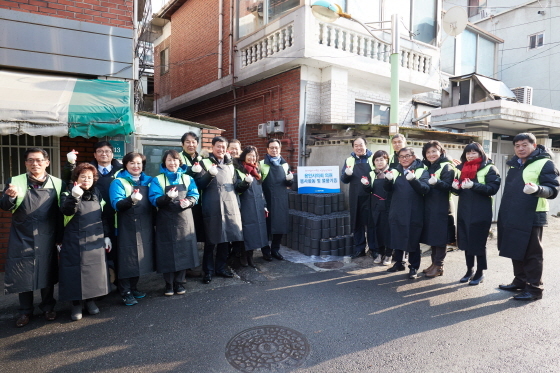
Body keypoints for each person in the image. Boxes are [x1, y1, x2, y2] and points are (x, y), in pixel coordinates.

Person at [1, 148, 64, 327]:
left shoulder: (58, 183)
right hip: (22, 234)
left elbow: (61, 213)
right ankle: (25, 311)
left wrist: (60, 236)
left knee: (47, 271)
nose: (34, 164)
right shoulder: (15, 181)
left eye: (38, 160)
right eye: (30, 160)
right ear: (25, 163)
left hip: (47, 234)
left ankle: (48, 307)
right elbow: (5, 206)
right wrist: (9, 197)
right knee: (23, 273)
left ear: (47, 162)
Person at [497, 133, 559, 300]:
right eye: (517, 146)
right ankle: (520, 280)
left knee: (532, 253)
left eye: (524, 145)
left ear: (534, 145)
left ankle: (534, 289)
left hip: (532, 214)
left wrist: (538, 190)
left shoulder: (545, 163)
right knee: (515, 248)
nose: (520, 148)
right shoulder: (515, 164)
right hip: (512, 213)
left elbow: (553, 190)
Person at [63, 142, 123, 287]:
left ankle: (121, 286)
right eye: (100, 151)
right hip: (94, 216)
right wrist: (70, 163)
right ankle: (101, 287)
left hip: (117, 216)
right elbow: (69, 178)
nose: (104, 154)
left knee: (118, 253)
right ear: (95, 155)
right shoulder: (88, 169)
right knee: (97, 255)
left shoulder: (121, 170)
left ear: (112, 154)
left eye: (107, 151)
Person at [59, 163, 111, 321]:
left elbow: (102, 217)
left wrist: (106, 236)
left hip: (95, 238)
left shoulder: (97, 193)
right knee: (74, 272)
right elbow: (66, 211)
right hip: (74, 238)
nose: (86, 180)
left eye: (89, 177)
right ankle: (76, 304)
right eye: (83, 177)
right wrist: (74, 196)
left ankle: (91, 301)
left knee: (93, 272)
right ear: (77, 178)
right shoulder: (67, 192)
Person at [192, 136, 243, 283]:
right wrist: (210, 174)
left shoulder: (231, 164)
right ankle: (207, 271)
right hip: (211, 206)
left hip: (229, 206)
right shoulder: (204, 163)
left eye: (223, 147)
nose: (220, 149)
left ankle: (220, 268)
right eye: (218, 146)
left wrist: (245, 183)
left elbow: (235, 185)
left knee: (225, 239)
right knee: (211, 240)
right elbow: (199, 184)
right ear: (212, 147)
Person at [149, 150, 199, 295]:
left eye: (175, 160)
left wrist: (189, 202)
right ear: (164, 162)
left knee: (184, 250)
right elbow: (153, 199)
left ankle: (180, 283)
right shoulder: (157, 180)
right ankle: (169, 284)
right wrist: (167, 198)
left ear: (180, 162)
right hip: (165, 220)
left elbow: (195, 195)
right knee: (167, 252)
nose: (172, 163)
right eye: (169, 160)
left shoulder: (188, 178)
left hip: (184, 219)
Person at [452, 142, 501, 285]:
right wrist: (455, 188)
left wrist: (474, 185)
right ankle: (469, 270)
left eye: (474, 153)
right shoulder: (461, 168)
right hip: (464, 209)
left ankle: (480, 272)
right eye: (468, 153)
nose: (470, 155)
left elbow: (492, 188)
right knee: (466, 241)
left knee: (478, 242)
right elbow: (459, 190)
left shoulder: (489, 168)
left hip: (481, 211)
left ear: (481, 154)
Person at [109, 152, 155, 306]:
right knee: (125, 260)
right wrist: (130, 200)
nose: (136, 166)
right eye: (132, 163)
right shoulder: (118, 182)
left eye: (139, 163)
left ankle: (134, 287)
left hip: (144, 224)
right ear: (126, 165)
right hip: (124, 226)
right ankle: (125, 291)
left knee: (138, 257)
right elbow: (116, 204)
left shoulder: (149, 181)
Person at [384, 146, 430, 279]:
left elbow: (425, 189)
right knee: (397, 236)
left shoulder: (421, 170)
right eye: (401, 157)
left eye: (407, 156)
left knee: (412, 239)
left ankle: (414, 266)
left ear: (414, 157)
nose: (404, 159)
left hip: (413, 210)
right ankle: (399, 263)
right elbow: (388, 190)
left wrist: (413, 180)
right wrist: (387, 180)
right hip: (397, 208)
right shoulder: (395, 170)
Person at [420, 141, 455, 278]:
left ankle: (439, 266)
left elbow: (448, 186)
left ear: (441, 151)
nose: (431, 154)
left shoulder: (446, 166)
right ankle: (434, 264)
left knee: (440, 237)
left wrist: (437, 182)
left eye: (434, 151)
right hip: (431, 206)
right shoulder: (429, 167)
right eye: (428, 152)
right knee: (433, 236)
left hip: (442, 206)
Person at [234, 146, 269, 268]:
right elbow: (237, 188)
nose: (252, 157)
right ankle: (243, 256)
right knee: (246, 231)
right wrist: (245, 183)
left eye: (254, 156)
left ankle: (250, 257)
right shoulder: (238, 169)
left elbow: (261, 191)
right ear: (244, 156)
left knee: (256, 232)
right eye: (249, 155)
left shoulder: (257, 171)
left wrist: (264, 205)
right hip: (245, 204)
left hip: (258, 204)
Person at [340, 137, 374, 258]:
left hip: (371, 194)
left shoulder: (373, 158)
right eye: (356, 145)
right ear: (353, 147)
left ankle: (373, 249)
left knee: (371, 222)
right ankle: (360, 249)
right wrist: (346, 174)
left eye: (361, 145)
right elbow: (343, 180)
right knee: (356, 222)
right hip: (355, 195)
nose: (358, 148)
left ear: (366, 145)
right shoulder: (349, 160)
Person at [260, 138, 293, 261]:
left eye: (276, 148)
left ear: (280, 149)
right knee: (265, 227)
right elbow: (258, 182)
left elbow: (288, 182)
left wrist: (290, 180)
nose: (274, 150)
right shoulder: (261, 164)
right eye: (272, 148)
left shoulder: (285, 164)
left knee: (279, 225)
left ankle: (275, 250)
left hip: (281, 199)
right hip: (266, 199)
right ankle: (265, 251)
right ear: (267, 149)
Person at [361, 150, 393, 265]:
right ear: (374, 162)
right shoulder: (372, 173)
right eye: (377, 160)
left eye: (382, 159)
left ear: (387, 160)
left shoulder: (392, 172)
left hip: (389, 206)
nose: (379, 162)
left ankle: (389, 254)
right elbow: (369, 190)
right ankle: (379, 252)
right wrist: (366, 185)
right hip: (376, 206)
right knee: (377, 230)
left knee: (388, 230)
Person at [180, 132, 206, 244]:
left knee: (200, 232)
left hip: (201, 200)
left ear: (197, 143)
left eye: (193, 142)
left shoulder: (201, 158)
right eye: (187, 142)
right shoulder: (177, 158)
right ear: (182, 144)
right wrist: (192, 170)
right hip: (185, 199)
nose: (191, 144)